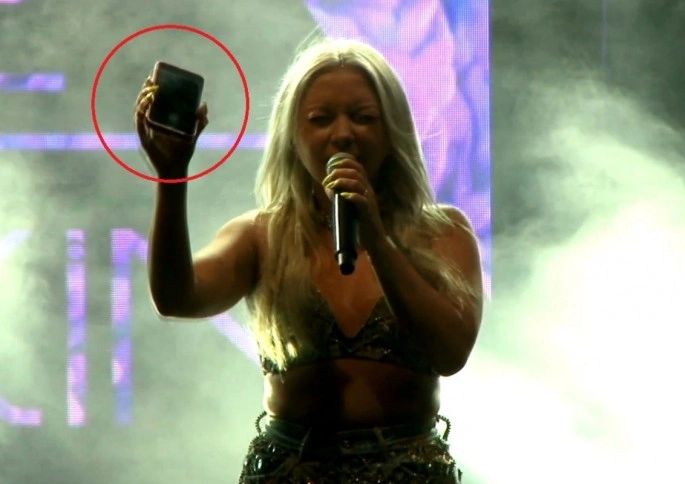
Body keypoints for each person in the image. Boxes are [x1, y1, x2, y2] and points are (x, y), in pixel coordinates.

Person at [134, 37, 484, 483]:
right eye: (320, 119)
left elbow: (451, 352)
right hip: (291, 470)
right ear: (292, 136)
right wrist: (171, 177)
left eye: (363, 117)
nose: (343, 134)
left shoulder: (443, 232)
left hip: (410, 472)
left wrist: (376, 237)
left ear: (392, 130)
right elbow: (176, 298)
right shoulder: (260, 235)